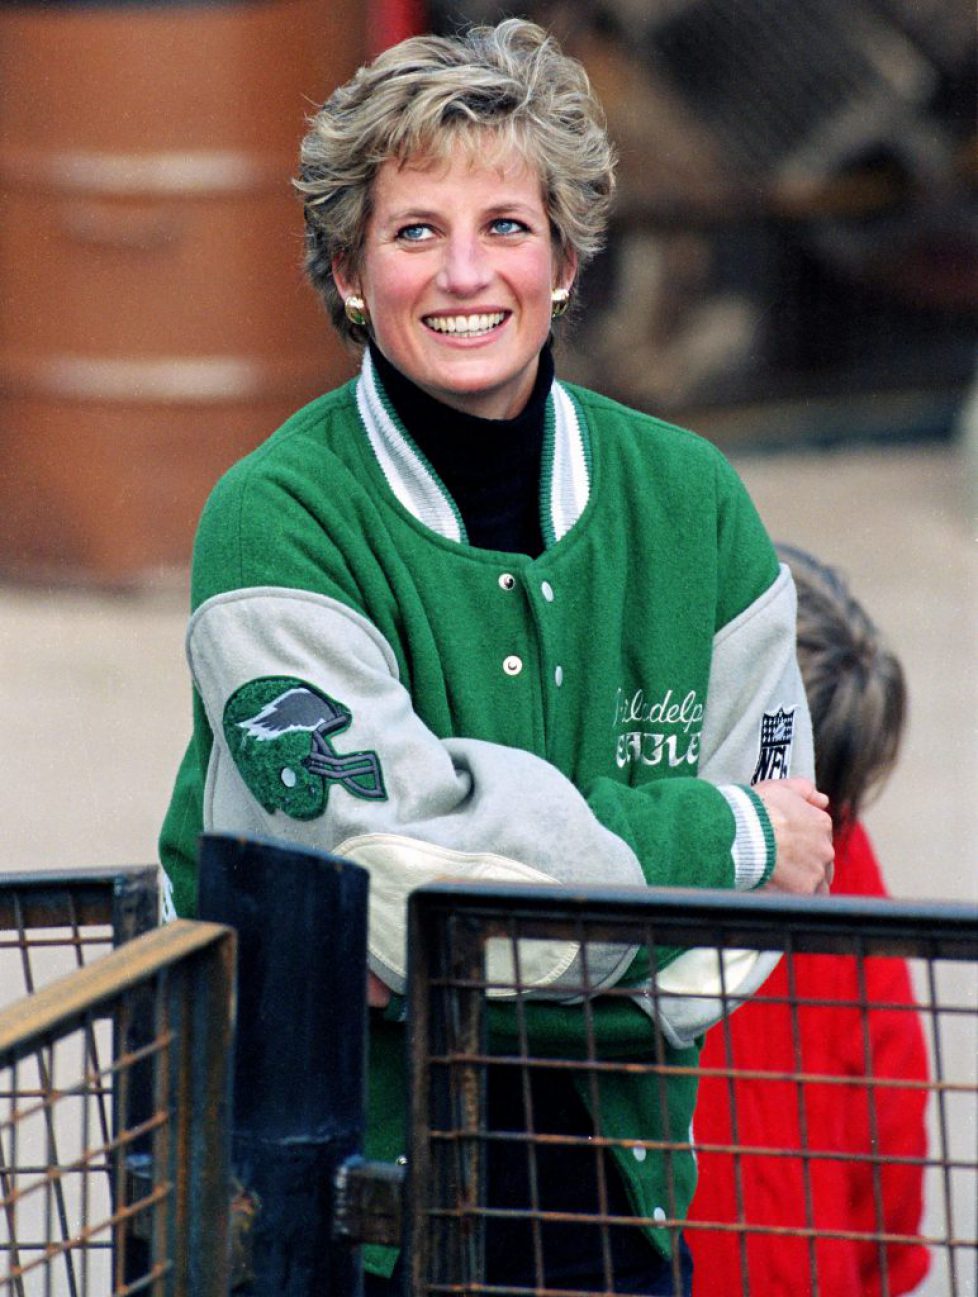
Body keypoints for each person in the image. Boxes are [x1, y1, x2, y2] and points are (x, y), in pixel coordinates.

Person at [159, 20, 833, 1294]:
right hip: (338, 1202)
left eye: (507, 227)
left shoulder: (694, 502)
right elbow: (392, 886)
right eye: (415, 231)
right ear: (350, 272)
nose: (466, 274)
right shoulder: (277, 519)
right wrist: (714, 836)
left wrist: (467, 909)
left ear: (569, 258)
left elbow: (752, 929)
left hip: (616, 1193)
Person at [687, 545, 930, 1297]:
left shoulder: (631, 827)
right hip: (810, 1268)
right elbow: (890, 1086)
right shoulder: (840, 848)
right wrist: (887, 1269)